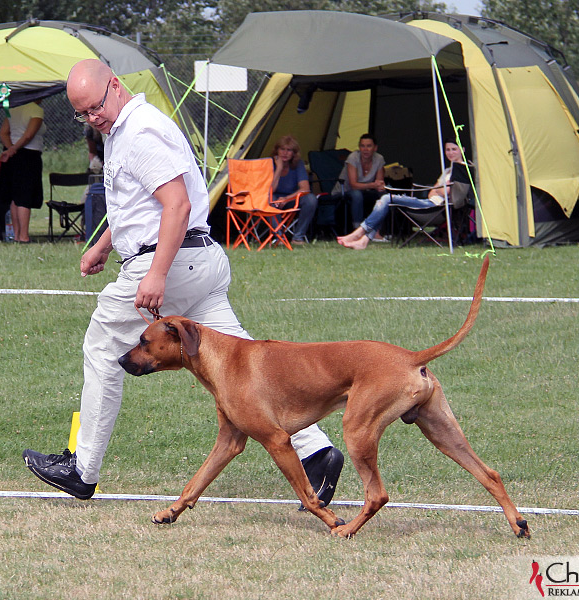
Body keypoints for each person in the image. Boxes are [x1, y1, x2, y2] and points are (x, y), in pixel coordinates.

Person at [22, 59, 344, 508]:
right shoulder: (124, 130)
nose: (92, 118)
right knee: (240, 363)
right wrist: (104, 243)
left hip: (169, 262)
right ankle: (318, 453)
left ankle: (82, 467)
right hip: (198, 261)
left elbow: (175, 206)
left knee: (101, 345)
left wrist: (155, 273)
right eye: (82, 114)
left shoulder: (140, 131)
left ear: (114, 86)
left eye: (95, 106)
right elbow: (141, 202)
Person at [338, 138, 471, 250]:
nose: (450, 153)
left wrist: (438, 190)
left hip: (435, 208)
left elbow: (446, 191)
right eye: (448, 149)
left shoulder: (462, 169)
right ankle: (364, 240)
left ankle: (359, 233)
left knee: (386, 198)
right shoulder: (448, 169)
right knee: (385, 200)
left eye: (454, 149)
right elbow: (433, 191)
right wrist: (438, 190)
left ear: (462, 150)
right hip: (431, 203)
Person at [0, 99, 45, 243]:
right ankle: (24, 236)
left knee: (14, 196)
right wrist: (14, 149)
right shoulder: (36, 110)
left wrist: (10, 149)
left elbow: (3, 133)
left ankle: (16, 235)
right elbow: (28, 135)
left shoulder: (13, 107)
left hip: (11, 156)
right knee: (24, 196)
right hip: (28, 155)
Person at [270, 135, 318, 244]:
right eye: (282, 149)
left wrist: (286, 199)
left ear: (294, 153)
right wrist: (279, 168)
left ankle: (298, 237)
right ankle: (279, 237)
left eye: (289, 150)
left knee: (310, 199)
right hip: (273, 199)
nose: (285, 153)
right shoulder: (269, 163)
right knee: (269, 198)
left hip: (291, 199)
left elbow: (305, 189)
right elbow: (269, 190)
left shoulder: (298, 164)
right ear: (277, 150)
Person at [334, 133, 386, 228]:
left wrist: (379, 186)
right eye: (362, 146)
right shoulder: (353, 158)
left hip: (365, 191)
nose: (365, 149)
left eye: (369, 146)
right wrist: (373, 185)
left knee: (384, 194)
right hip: (344, 191)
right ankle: (357, 228)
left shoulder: (379, 159)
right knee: (356, 194)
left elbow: (379, 184)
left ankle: (379, 229)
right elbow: (353, 185)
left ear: (375, 148)